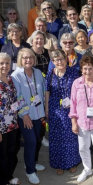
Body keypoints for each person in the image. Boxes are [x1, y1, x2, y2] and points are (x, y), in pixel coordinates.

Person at [69, 56, 93, 184]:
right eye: (85, 68)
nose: (87, 72)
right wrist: (74, 122)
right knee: (83, 148)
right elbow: (73, 104)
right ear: (81, 69)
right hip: (82, 122)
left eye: (90, 68)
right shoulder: (76, 83)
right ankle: (87, 169)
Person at [11, 48, 46, 185]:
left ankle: (31, 162)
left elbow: (42, 92)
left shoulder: (37, 72)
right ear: (20, 59)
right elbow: (17, 98)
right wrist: (24, 115)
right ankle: (30, 171)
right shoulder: (16, 75)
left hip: (38, 114)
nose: (28, 60)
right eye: (25, 58)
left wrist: (43, 112)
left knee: (36, 140)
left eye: (30, 57)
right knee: (31, 141)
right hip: (25, 115)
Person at [45, 49, 81, 176]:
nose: (59, 61)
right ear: (53, 61)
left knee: (71, 136)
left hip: (71, 107)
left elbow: (78, 91)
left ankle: (72, 163)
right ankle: (58, 164)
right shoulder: (50, 73)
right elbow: (47, 91)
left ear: (66, 59)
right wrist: (46, 109)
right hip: (55, 109)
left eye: (61, 58)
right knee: (56, 138)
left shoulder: (73, 72)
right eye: (56, 60)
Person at [0, 53, 20, 185]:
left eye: (7, 63)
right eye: (1, 63)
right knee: (1, 156)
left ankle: (9, 177)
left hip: (12, 124)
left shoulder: (10, 79)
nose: (4, 66)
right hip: (1, 127)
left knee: (11, 152)